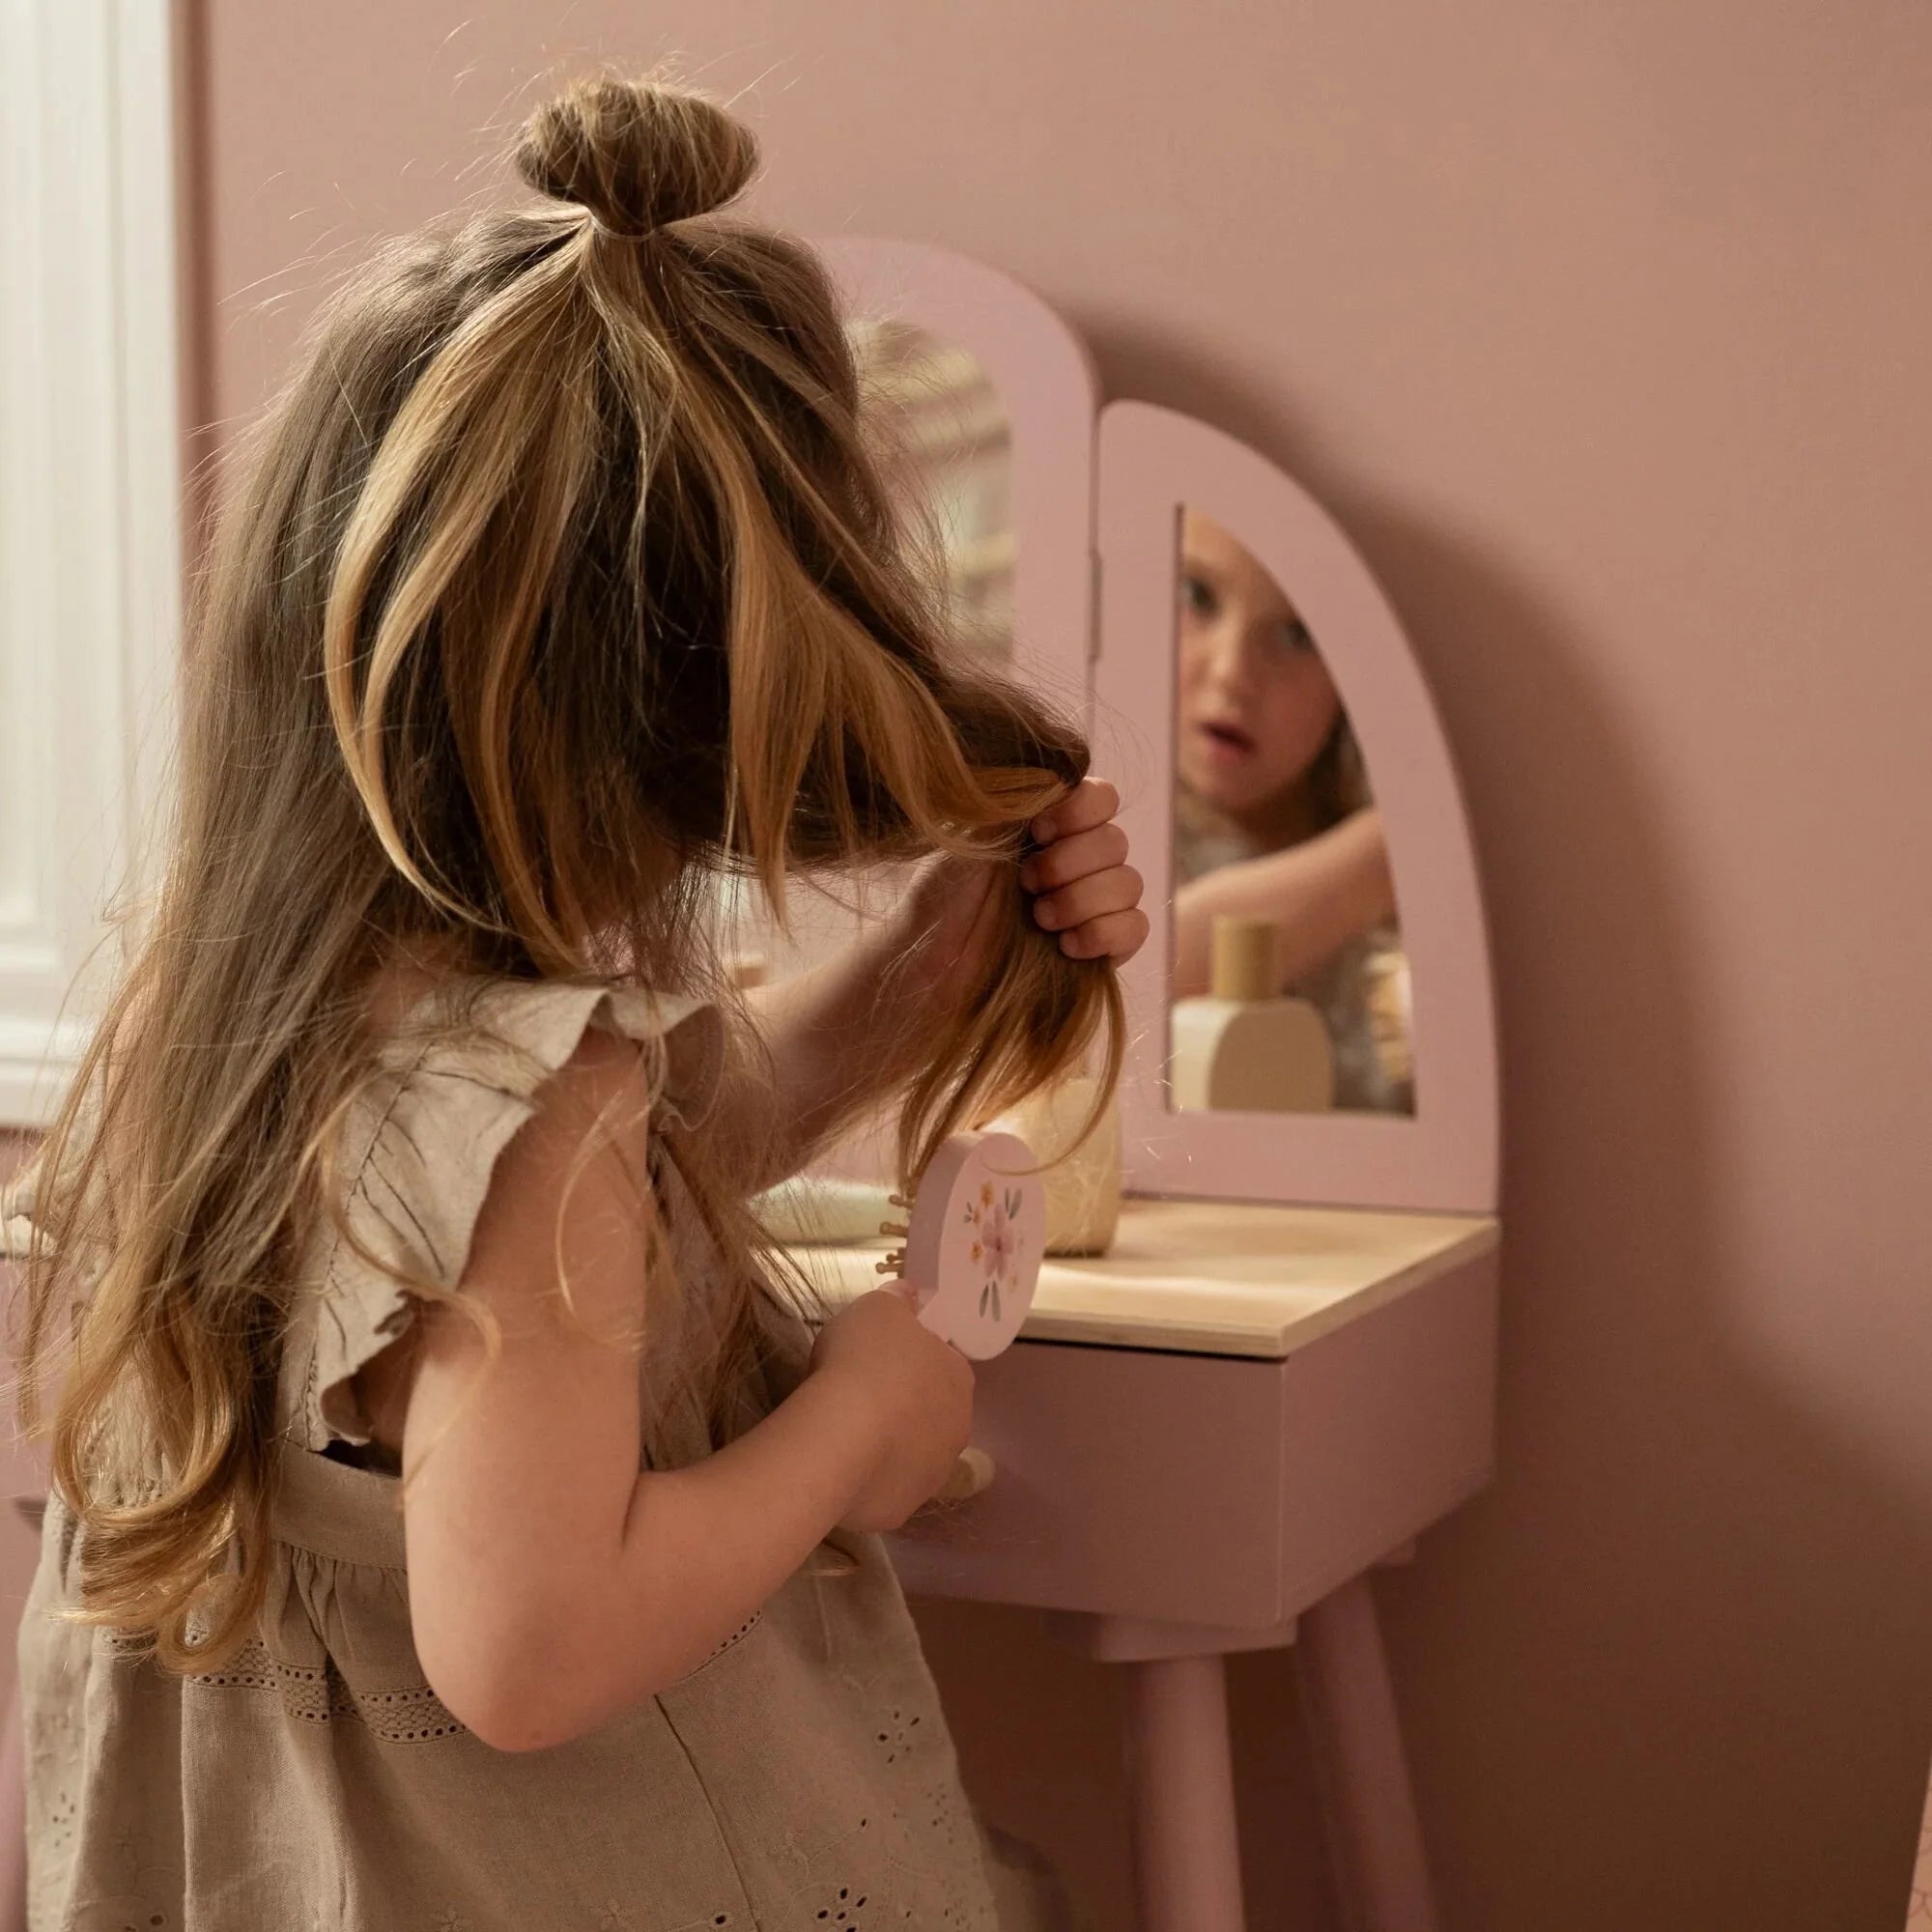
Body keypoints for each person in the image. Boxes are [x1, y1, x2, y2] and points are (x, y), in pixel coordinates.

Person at [7, 73, 1148, 1931]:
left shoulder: (214, 1038)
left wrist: (905, 992)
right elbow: (532, 1645)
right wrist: (855, 1430)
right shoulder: (547, 1105)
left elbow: (528, 1278)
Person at [1170, 507, 1412, 1112]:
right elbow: (1134, 981)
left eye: (1298, 634)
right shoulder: (1108, 835)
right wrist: (1397, 851)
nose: (1232, 674)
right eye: (1196, 595)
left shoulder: (1396, 925)